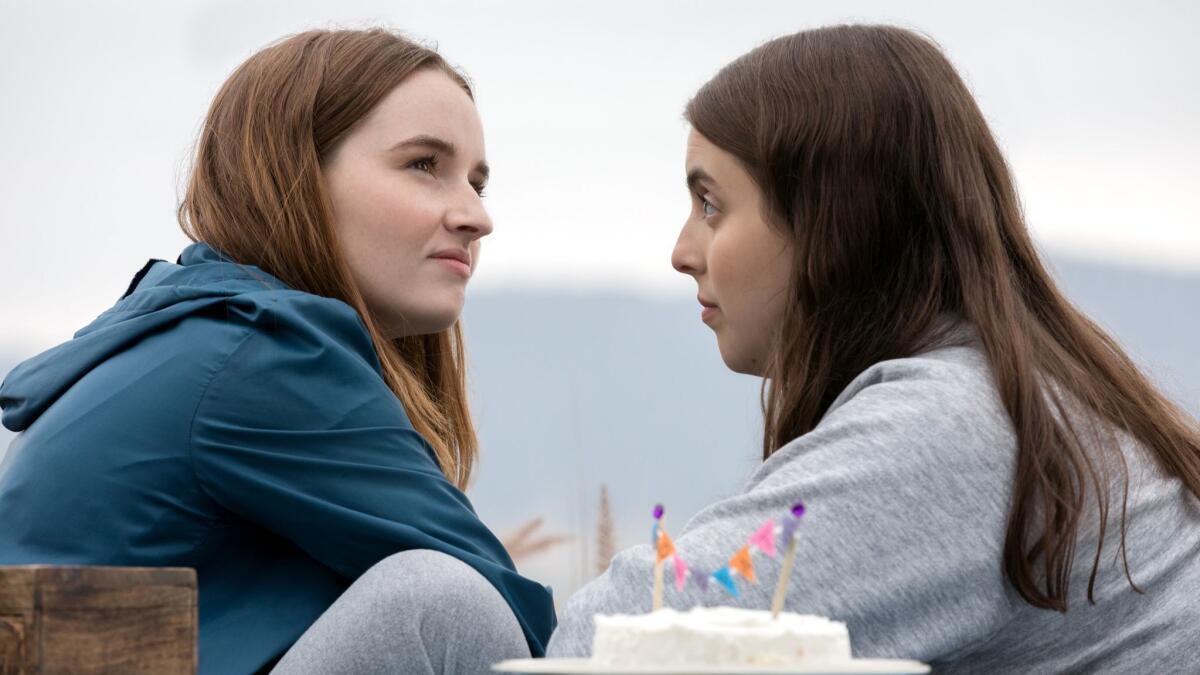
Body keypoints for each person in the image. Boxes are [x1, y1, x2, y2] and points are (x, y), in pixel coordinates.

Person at [547, 24, 1200, 672]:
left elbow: (608, 640)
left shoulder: (948, 427)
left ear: (831, 221)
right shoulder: (1013, 395)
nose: (683, 252)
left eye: (711, 204)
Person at [0, 28, 555, 674]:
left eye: (477, 183)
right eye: (424, 165)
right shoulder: (260, 356)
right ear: (298, 175)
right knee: (446, 601)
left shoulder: (200, 335)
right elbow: (514, 622)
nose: (475, 215)